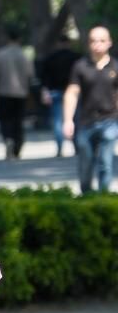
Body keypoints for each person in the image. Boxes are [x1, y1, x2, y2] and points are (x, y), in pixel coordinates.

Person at [62, 24, 117, 194]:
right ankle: (87, 195)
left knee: (105, 162)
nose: (97, 44)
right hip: (86, 122)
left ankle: (103, 197)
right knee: (85, 163)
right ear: (88, 44)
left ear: (109, 43)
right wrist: (68, 120)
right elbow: (72, 93)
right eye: (93, 41)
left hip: (110, 120)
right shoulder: (80, 66)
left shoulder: (115, 66)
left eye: (102, 40)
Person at [0, 24, 32, 160]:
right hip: (21, 94)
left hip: (4, 93)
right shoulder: (24, 55)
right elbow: (31, 75)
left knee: (5, 120)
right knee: (18, 122)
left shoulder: (0, 55)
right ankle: (17, 147)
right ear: (19, 38)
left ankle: (8, 139)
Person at [36, 28, 81, 158]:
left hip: (55, 91)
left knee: (57, 121)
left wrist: (45, 91)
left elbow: (43, 77)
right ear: (69, 43)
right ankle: (76, 146)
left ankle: (60, 147)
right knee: (74, 119)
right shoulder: (76, 58)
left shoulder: (50, 58)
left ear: (58, 43)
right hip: (73, 92)